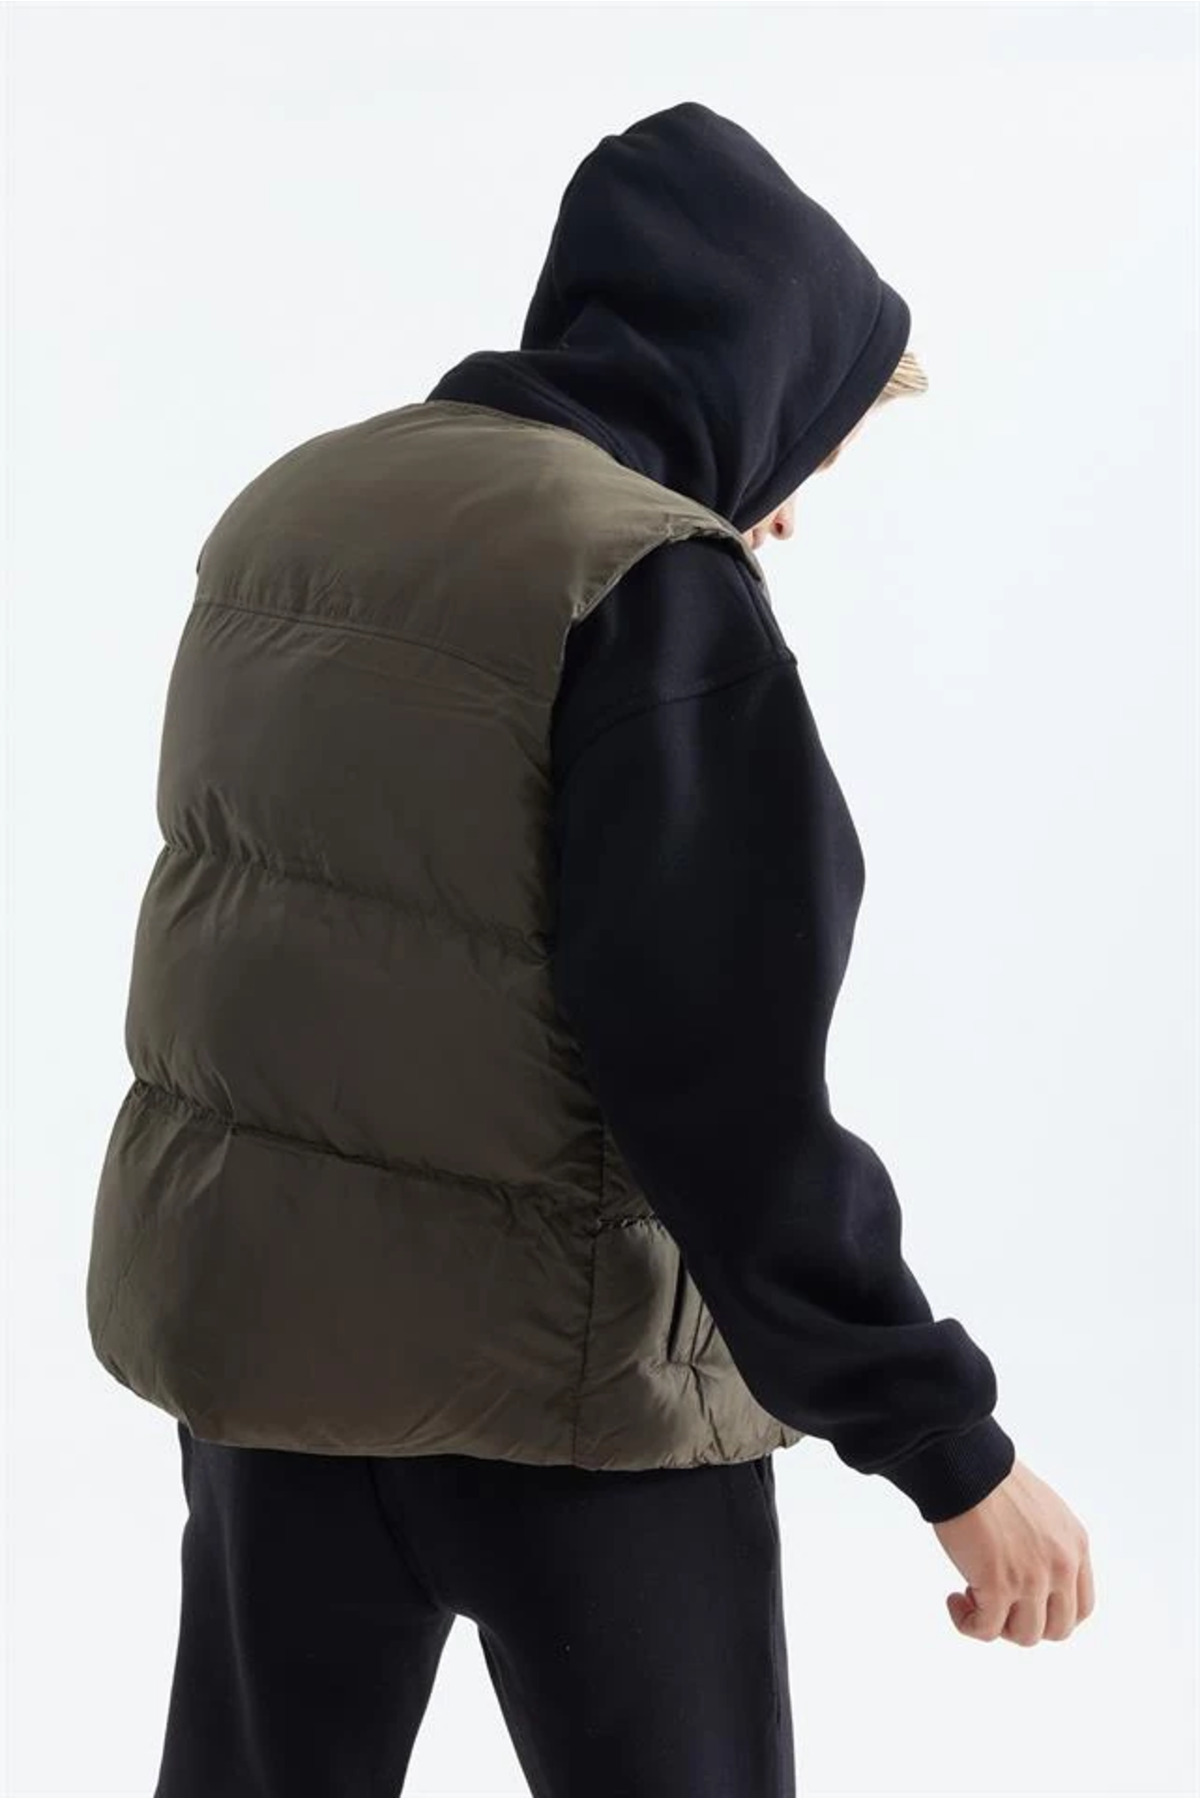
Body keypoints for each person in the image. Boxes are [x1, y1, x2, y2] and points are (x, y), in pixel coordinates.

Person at [86, 101, 1093, 1799]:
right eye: (814, 444)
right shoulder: (642, 580)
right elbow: (724, 1096)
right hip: (574, 1404)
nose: (791, 509)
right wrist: (950, 1448)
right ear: (743, 373)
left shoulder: (292, 511)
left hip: (265, 1374)